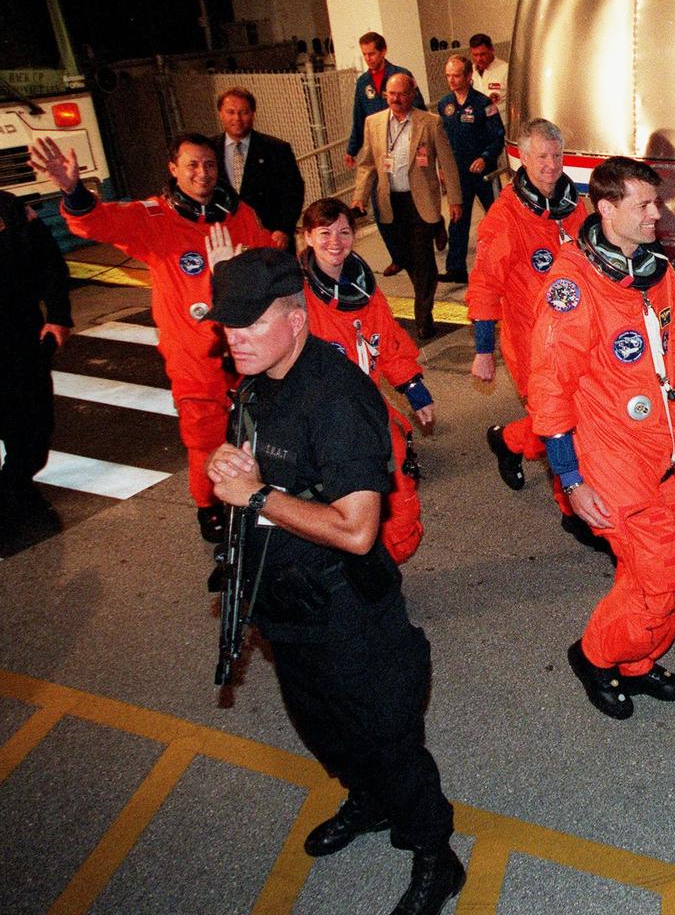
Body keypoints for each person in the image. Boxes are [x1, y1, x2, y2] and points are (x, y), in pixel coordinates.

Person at [205, 247, 464, 915]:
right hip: (286, 606)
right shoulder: (258, 378)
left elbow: (357, 529)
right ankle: (368, 801)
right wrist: (232, 463)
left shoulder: (338, 397)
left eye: (248, 323)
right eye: (227, 323)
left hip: (348, 610)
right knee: (322, 726)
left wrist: (257, 496)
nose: (233, 336)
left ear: (295, 319)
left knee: (387, 738)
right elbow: (261, 465)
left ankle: (434, 851)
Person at [528, 156, 675, 720]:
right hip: (610, 462)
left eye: (657, 202)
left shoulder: (654, 271)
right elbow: (548, 387)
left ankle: (638, 666)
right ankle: (594, 655)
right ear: (606, 209)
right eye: (644, 205)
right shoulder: (573, 285)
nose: (657, 214)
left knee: (642, 579)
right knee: (664, 575)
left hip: (662, 454)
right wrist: (570, 478)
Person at [29, 133, 276, 544]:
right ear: (173, 169)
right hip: (195, 357)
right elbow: (99, 221)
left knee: (259, 431)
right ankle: (209, 508)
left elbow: (269, 259)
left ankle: (254, 497)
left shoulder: (239, 214)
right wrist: (73, 191)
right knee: (205, 439)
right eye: (193, 164)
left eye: (210, 165)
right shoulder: (155, 218)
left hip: (248, 349)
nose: (202, 173)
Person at [468, 118, 588, 532]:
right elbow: (484, 283)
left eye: (557, 155)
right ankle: (573, 512)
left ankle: (507, 440)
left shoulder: (574, 206)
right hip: (530, 340)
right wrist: (484, 350)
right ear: (522, 157)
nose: (552, 165)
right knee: (560, 422)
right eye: (542, 156)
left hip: (575, 335)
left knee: (567, 421)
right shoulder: (506, 216)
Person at [298, 197, 434, 563]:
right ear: (308, 237)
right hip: (319, 422)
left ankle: (381, 573)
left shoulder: (364, 289)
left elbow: (388, 341)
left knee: (401, 512)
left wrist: (415, 389)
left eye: (344, 232)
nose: (335, 242)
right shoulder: (295, 295)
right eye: (324, 233)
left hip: (367, 411)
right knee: (333, 517)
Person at [353, 72, 462, 341]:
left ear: (412, 94)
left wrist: (455, 199)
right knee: (406, 257)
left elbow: (447, 162)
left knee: (422, 259)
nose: (396, 99)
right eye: (391, 94)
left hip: (421, 201)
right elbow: (367, 164)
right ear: (385, 96)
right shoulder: (373, 123)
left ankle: (423, 317)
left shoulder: (430, 122)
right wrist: (359, 198)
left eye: (402, 94)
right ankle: (435, 241)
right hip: (390, 202)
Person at [0, 193, 71, 528]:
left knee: (34, 425)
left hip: (19, 338)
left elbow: (49, 264)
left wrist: (58, 315)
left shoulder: (10, 208)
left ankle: (16, 481)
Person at [343, 31, 426, 276]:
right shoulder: (362, 84)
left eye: (372, 53)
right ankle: (398, 257)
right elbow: (359, 118)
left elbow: (420, 110)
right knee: (383, 209)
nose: (368, 58)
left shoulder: (401, 76)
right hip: (379, 152)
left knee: (415, 201)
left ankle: (431, 230)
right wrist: (352, 148)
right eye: (365, 54)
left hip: (405, 148)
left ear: (383, 51)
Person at [436, 54, 505, 284]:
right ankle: (455, 268)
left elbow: (498, 136)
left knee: (497, 218)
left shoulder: (483, 104)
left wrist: (485, 158)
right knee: (457, 219)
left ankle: (505, 262)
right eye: (448, 76)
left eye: (456, 75)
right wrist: (442, 169)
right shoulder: (445, 105)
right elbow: (441, 141)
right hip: (458, 175)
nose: (452, 80)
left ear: (468, 76)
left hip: (483, 174)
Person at [211, 87, 305, 247]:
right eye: (230, 112)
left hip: (271, 239)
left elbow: (294, 191)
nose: (237, 118)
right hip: (225, 240)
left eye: (243, 112)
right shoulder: (208, 150)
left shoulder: (276, 149)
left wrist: (284, 229)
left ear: (253, 114)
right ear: (220, 113)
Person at [468, 33, 508, 129]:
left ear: (492, 50)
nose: (479, 59)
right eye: (475, 55)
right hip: (478, 128)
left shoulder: (506, 70)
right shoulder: (469, 72)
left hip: (500, 127)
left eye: (483, 54)